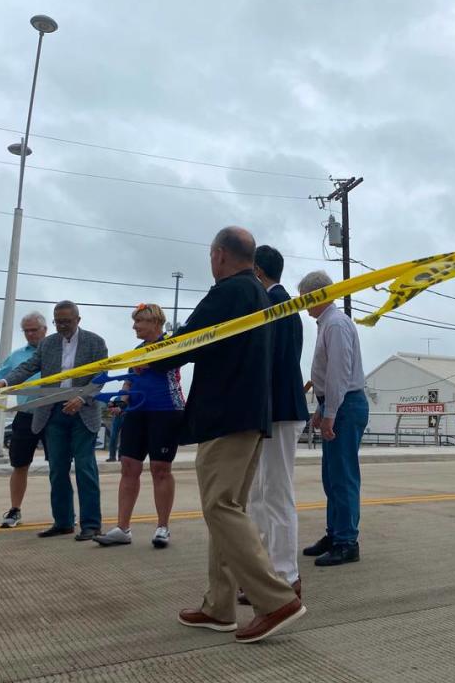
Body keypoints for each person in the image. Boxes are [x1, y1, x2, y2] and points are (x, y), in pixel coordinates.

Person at [153, 226, 305, 644]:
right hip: (252, 416)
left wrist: (148, 354)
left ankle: (275, 599)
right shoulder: (259, 295)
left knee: (220, 506)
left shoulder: (229, 292)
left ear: (219, 255)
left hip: (227, 417)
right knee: (228, 507)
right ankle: (219, 606)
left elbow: (185, 343)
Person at [0, 301, 107, 540]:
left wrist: (82, 398)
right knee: (57, 469)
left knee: (84, 467)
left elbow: (100, 378)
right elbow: (28, 367)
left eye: (66, 322)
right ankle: (63, 522)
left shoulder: (95, 342)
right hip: (52, 413)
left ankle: (91, 524)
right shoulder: (48, 344)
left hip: (83, 412)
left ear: (78, 320)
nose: (62, 326)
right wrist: (5, 382)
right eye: (57, 322)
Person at [238, 245, 309, 603]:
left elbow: (266, 365)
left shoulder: (275, 307)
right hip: (275, 411)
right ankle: (269, 571)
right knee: (263, 494)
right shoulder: (282, 305)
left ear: (258, 273)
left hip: (279, 411)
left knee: (276, 494)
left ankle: (285, 575)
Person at [95, 303, 184, 548]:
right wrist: (120, 403)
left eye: (139, 321)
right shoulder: (136, 350)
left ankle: (163, 527)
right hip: (137, 411)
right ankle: (123, 527)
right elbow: (128, 383)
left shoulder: (171, 344)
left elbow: (173, 364)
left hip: (166, 410)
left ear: (154, 322)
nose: (134, 326)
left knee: (160, 468)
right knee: (129, 466)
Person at [298, 270, 369, 567]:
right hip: (338, 404)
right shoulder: (326, 323)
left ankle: (346, 541)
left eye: (305, 297)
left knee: (343, 476)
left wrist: (330, 414)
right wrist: (321, 409)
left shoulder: (336, 325)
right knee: (332, 477)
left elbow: (340, 373)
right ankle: (335, 533)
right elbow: (328, 377)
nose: (303, 304)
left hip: (346, 405)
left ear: (319, 295)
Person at [0, 312, 48, 529]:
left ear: (45, 330)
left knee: (59, 466)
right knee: (19, 464)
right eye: (27, 331)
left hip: (53, 415)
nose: (30, 334)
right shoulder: (16, 356)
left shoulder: (56, 352)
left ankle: (66, 510)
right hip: (25, 415)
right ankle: (15, 510)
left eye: (34, 330)